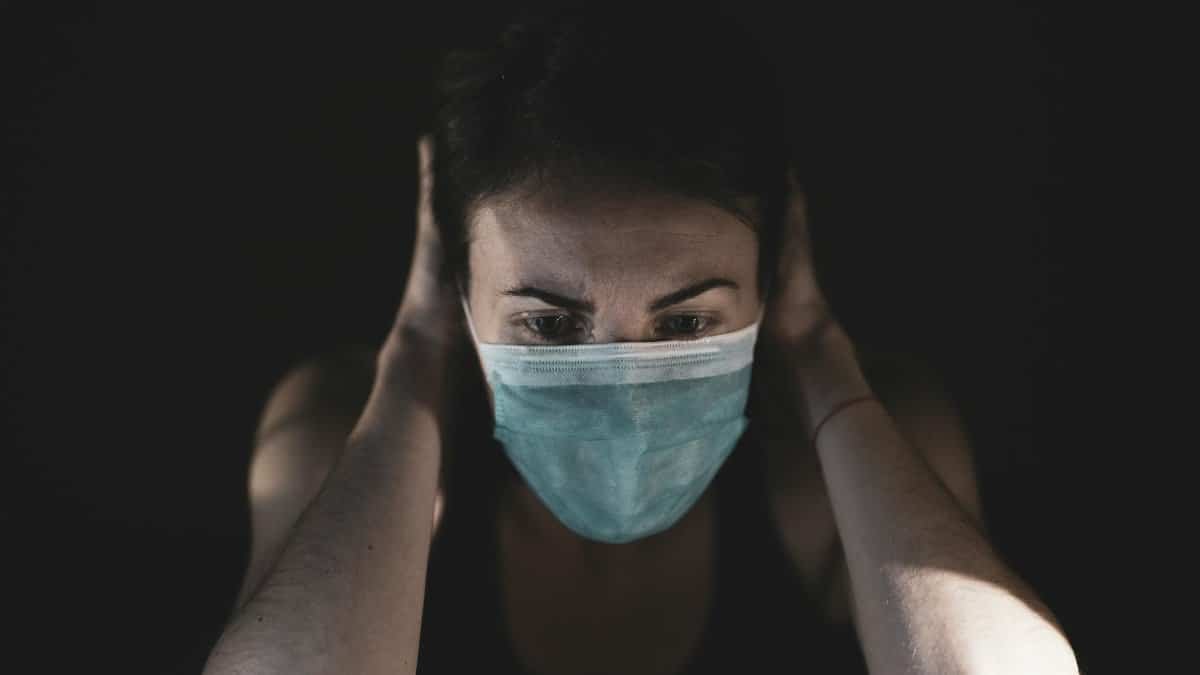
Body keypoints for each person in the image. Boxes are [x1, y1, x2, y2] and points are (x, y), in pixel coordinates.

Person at [204, 4, 1080, 674]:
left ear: (768, 290)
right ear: (458, 292)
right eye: (548, 323)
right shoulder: (340, 425)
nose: (621, 389)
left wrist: (820, 361)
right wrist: (419, 358)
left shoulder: (856, 447)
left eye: (688, 321)